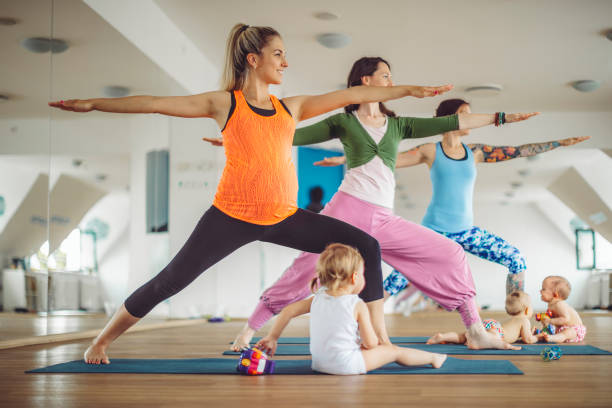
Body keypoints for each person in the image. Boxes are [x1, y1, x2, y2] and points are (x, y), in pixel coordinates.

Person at [49, 25, 454, 364]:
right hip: (231, 216)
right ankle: (102, 340)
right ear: (253, 59)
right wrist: (93, 103)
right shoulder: (225, 103)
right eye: (278, 53)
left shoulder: (291, 108)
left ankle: (378, 338)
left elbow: (354, 95)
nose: (285, 62)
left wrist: (408, 91)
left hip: (282, 215)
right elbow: (155, 103)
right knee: (169, 281)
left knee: (365, 243)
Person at [205, 57, 537, 351]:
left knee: (449, 252)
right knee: (302, 271)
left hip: (383, 219)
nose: (391, 83)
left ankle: (475, 330)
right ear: (366, 80)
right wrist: (237, 138)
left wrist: (501, 118)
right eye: (386, 76)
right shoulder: (344, 122)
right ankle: (248, 331)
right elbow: (290, 135)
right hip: (346, 212)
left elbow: (452, 123)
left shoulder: (398, 125)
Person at [319, 99, 588, 297]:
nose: (472, 120)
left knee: (515, 259)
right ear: (451, 119)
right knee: (397, 281)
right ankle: (359, 318)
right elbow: (387, 161)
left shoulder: (476, 151)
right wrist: (345, 158)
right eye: (465, 115)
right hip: (434, 232)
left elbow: (517, 151)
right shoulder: (429, 150)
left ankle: (516, 312)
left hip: (467, 232)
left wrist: (558, 144)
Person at [255, 243, 447, 375]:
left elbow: (288, 311)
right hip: (347, 365)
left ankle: (431, 357)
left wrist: (272, 337)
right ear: (355, 278)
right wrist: (372, 344)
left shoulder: (317, 299)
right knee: (394, 351)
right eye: (363, 274)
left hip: (319, 364)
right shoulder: (357, 304)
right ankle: (433, 358)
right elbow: (371, 343)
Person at [427, 291, 538, 346]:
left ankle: (443, 336)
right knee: (489, 338)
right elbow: (527, 339)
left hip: (491, 324)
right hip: (497, 332)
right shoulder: (525, 320)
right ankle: (473, 342)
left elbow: (520, 335)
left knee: (464, 336)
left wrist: (528, 333)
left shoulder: (514, 319)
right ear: (527, 310)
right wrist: (537, 337)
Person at [537, 275, 586, 343]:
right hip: (561, 329)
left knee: (566, 333)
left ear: (555, 294)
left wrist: (550, 321)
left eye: (543, 289)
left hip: (575, 330)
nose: (540, 291)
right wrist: (545, 322)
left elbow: (565, 319)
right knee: (551, 330)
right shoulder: (551, 304)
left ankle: (552, 338)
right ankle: (546, 335)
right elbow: (554, 320)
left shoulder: (559, 304)